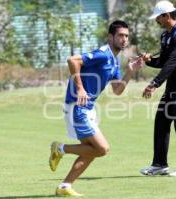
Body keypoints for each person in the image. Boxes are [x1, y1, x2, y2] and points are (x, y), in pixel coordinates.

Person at [49, 20, 143, 196]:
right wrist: (80, 88)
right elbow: (72, 60)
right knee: (102, 149)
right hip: (78, 106)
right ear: (110, 37)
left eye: (126, 36)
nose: (124, 39)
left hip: (88, 108)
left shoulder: (114, 61)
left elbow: (117, 90)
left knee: (91, 151)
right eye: (121, 35)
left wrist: (130, 72)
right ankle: (60, 148)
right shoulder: (102, 54)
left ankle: (65, 186)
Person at [140, 1, 176, 177]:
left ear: (166, 15)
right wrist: (148, 60)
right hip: (172, 87)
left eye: (158, 17)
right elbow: (163, 62)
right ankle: (159, 164)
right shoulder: (166, 36)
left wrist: (154, 83)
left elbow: (173, 62)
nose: (156, 21)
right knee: (161, 122)